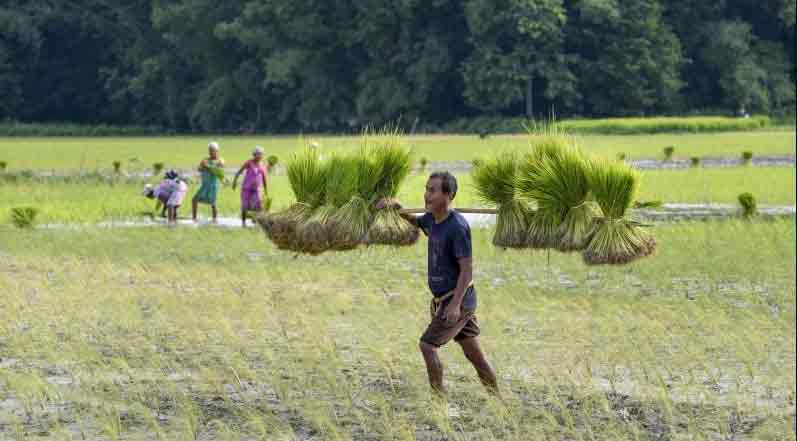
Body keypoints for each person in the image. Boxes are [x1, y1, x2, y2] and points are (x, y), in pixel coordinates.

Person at [378, 172, 499, 397]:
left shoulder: (457, 227)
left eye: (433, 191)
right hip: (447, 299)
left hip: (457, 300)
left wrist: (454, 305)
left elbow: (466, 270)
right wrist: (398, 208)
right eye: (426, 189)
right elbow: (417, 222)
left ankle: (439, 402)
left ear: (449, 195)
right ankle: (498, 400)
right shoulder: (432, 219)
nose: (427, 195)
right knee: (474, 354)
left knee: (428, 345)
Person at [232, 146, 269, 227]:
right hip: (246, 189)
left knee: (258, 205)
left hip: (256, 190)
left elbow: (264, 179)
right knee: (245, 206)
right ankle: (243, 223)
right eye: (257, 154)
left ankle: (256, 222)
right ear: (254, 154)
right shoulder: (249, 162)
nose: (259, 156)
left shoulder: (262, 165)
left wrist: (266, 191)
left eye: (260, 154)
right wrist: (234, 182)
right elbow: (239, 172)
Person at [192, 142, 225, 223]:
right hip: (205, 184)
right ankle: (194, 218)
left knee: (213, 203)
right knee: (194, 200)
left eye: (213, 150)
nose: (211, 152)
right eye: (210, 150)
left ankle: (215, 219)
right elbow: (199, 169)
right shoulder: (205, 159)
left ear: (217, 151)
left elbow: (219, 170)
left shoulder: (220, 160)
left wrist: (208, 167)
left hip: (213, 185)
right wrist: (202, 166)